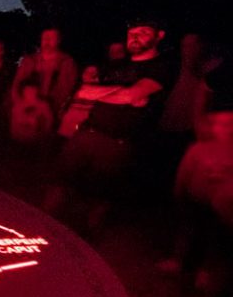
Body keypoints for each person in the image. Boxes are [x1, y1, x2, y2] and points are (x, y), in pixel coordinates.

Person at [43, 18, 175, 230]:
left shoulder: (161, 67)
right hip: (87, 132)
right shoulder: (117, 65)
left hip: (117, 143)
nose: (135, 36)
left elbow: (130, 95)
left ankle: (85, 241)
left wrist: (115, 94)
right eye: (132, 32)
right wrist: (118, 94)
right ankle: (44, 226)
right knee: (60, 179)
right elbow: (84, 90)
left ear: (159, 36)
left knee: (100, 194)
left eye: (144, 32)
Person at [169, 108, 233, 297]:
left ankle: (205, 270)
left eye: (229, 125)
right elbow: (184, 173)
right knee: (189, 232)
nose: (223, 129)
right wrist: (180, 192)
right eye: (218, 124)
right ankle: (179, 261)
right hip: (195, 202)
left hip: (222, 210)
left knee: (214, 241)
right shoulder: (199, 149)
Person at [12, 27, 78, 119]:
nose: (47, 41)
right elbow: (17, 83)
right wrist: (20, 105)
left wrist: (48, 108)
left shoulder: (66, 62)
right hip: (27, 110)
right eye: (44, 38)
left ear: (58, 40)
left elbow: (65, 89)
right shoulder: (29, 60)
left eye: (51, 38)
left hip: (52, 112)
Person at [58, 64, 100, 139]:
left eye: (93, 73)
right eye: (86, 72)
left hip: (84, 126)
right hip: (68, 124)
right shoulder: (77, 87)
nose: (89, 75)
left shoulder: (99, 91)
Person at [10, 78, 54, 144]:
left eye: (32, 90)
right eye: (27, 90)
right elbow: (14, 124)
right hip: (18, 140)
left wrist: (42, 134)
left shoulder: (43, 105)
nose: (30, 92)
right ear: (23, 91)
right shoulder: (18, 105)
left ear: (37, 90)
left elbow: (49, 122)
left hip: (36, 141)